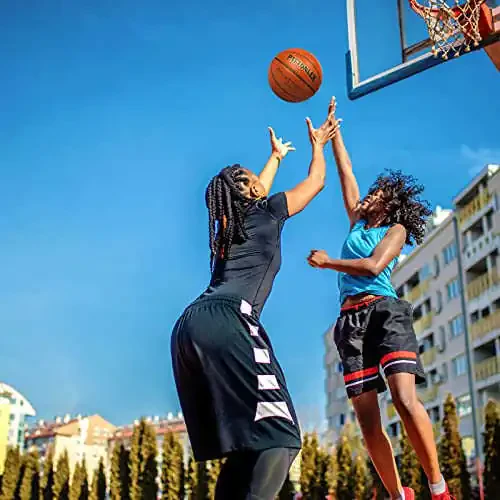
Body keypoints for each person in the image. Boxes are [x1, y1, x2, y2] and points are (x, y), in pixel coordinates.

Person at [171, 106, 340, 500]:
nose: (259, 182)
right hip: (230, 320)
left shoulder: (228, 228)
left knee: (249, 444)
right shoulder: (268, 211)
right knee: (280, 436)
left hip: (189, 327)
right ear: (247, 193)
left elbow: (254, 189)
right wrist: (318, 146)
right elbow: (316, 182)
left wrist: (275, 158)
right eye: (251, 180)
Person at [307, 98, 453, 500]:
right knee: (368, 424)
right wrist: (332, 135)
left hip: (385, 313)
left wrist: (328, 262)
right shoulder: (357, 222)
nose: (368, 195)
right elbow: (346, 172)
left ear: (389, 204)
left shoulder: (396, 230)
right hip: (350, 324)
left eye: (376, 193)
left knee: (404, 400)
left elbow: (373, 267)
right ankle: (398, 495)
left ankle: (438, 488)